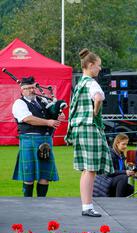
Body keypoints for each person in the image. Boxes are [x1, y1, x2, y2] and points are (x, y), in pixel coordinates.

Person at [65, 49, 114, 217]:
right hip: (89, 127)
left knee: (87, 169)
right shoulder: (92, 83)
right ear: (91, 65)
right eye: (98, 66)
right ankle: (87, 206)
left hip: (79, 128)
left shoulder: (80, 83)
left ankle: (86, 205)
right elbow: (98, 97)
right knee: (90, 169)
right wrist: (95, 112)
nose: (100, 69)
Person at [12, 76, 64, 197]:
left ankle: (41, 202)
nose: (31, 90)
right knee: (29, 176)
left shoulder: (42, 101)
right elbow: (28, 119)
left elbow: (52, 112)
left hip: (45, 140)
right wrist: (48, 122)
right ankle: (28, 202)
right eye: (27, 88)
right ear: (22, 90)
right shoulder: (19, 103)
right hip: (29, 140)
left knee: (45, 176)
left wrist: (57, 115)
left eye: (33, 87)